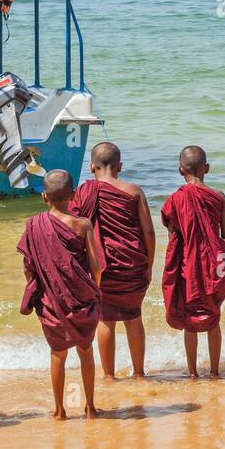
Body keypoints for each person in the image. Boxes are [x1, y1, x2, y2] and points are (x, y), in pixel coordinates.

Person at [17, 169, 102, 420]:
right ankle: (90, 407)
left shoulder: (33, 225)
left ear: (44, 197)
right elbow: (96, 265)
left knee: (57, 354)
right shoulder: (83, 224)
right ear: (73, 195)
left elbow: (28, 266)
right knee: (86, 351)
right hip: (81, 300)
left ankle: (59, 409)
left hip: (51, 301)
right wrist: (94, 290)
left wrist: (39, 287)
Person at [70, 142, 155, 379]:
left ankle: (109, 376)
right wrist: (148, 263)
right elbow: (148, 232)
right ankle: (139, 373)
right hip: (132, 262)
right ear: (120, 166)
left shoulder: (83, 192)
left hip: (101, 267)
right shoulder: (134, 191)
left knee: (105, 319)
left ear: (91, 167)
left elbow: (73, 229)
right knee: (134, 316)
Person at [160, 146, 225, 378]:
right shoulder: (218, 197)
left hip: (188, 262)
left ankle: (192, 373)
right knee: (213, 314)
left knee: (190, 318)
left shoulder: (175, 199)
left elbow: (173, 235)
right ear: (207, 169)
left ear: (181, 170)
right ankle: (215, 371)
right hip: (215, 262)